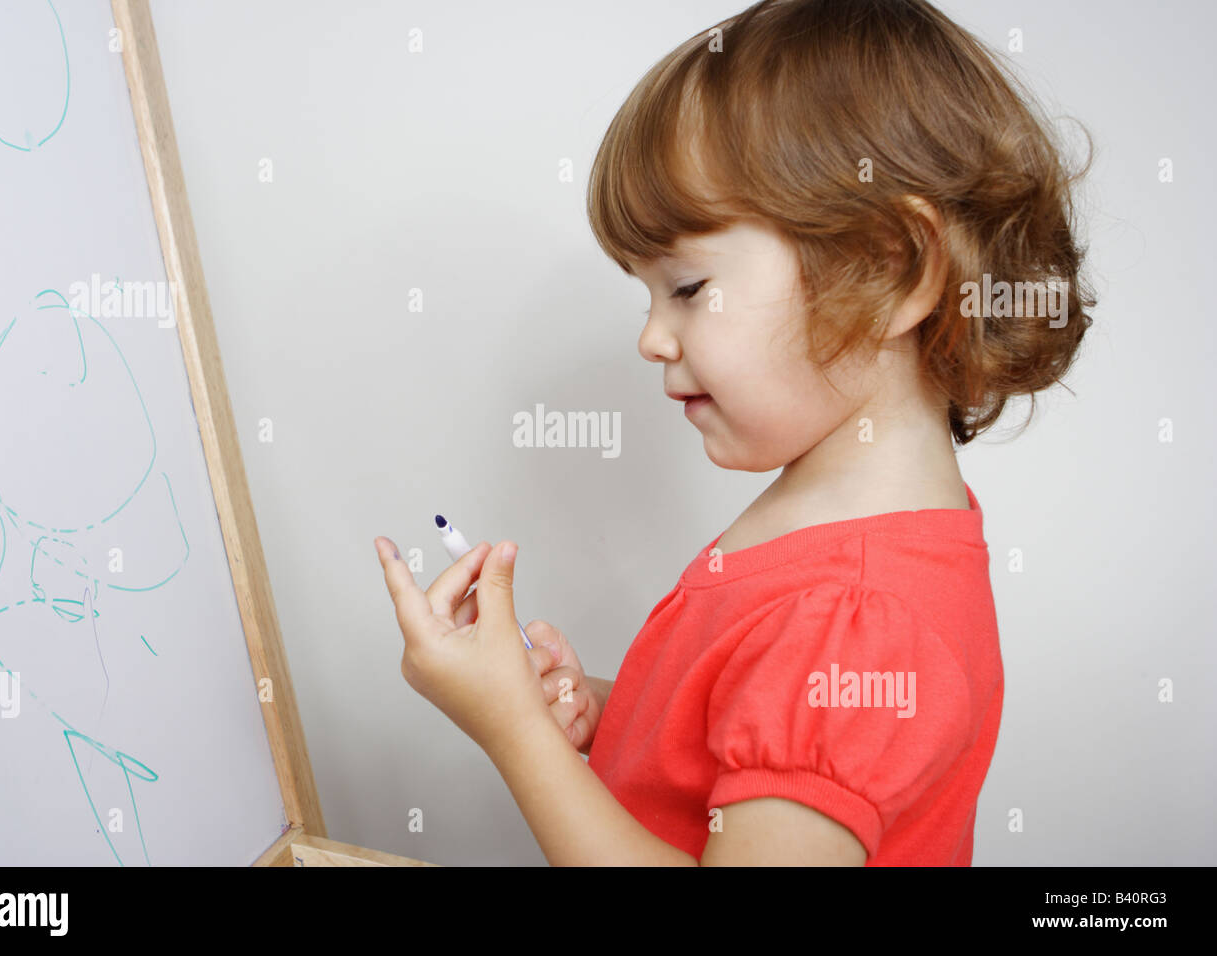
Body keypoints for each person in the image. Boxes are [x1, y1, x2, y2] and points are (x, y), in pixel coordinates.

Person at [375, 0, 1093, 865]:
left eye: (685, 287)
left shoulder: (854, 621)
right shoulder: (840, 546)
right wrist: (593, 710)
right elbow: (730, 750)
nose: (650, 336)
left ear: (893, 268)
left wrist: (511, 736)